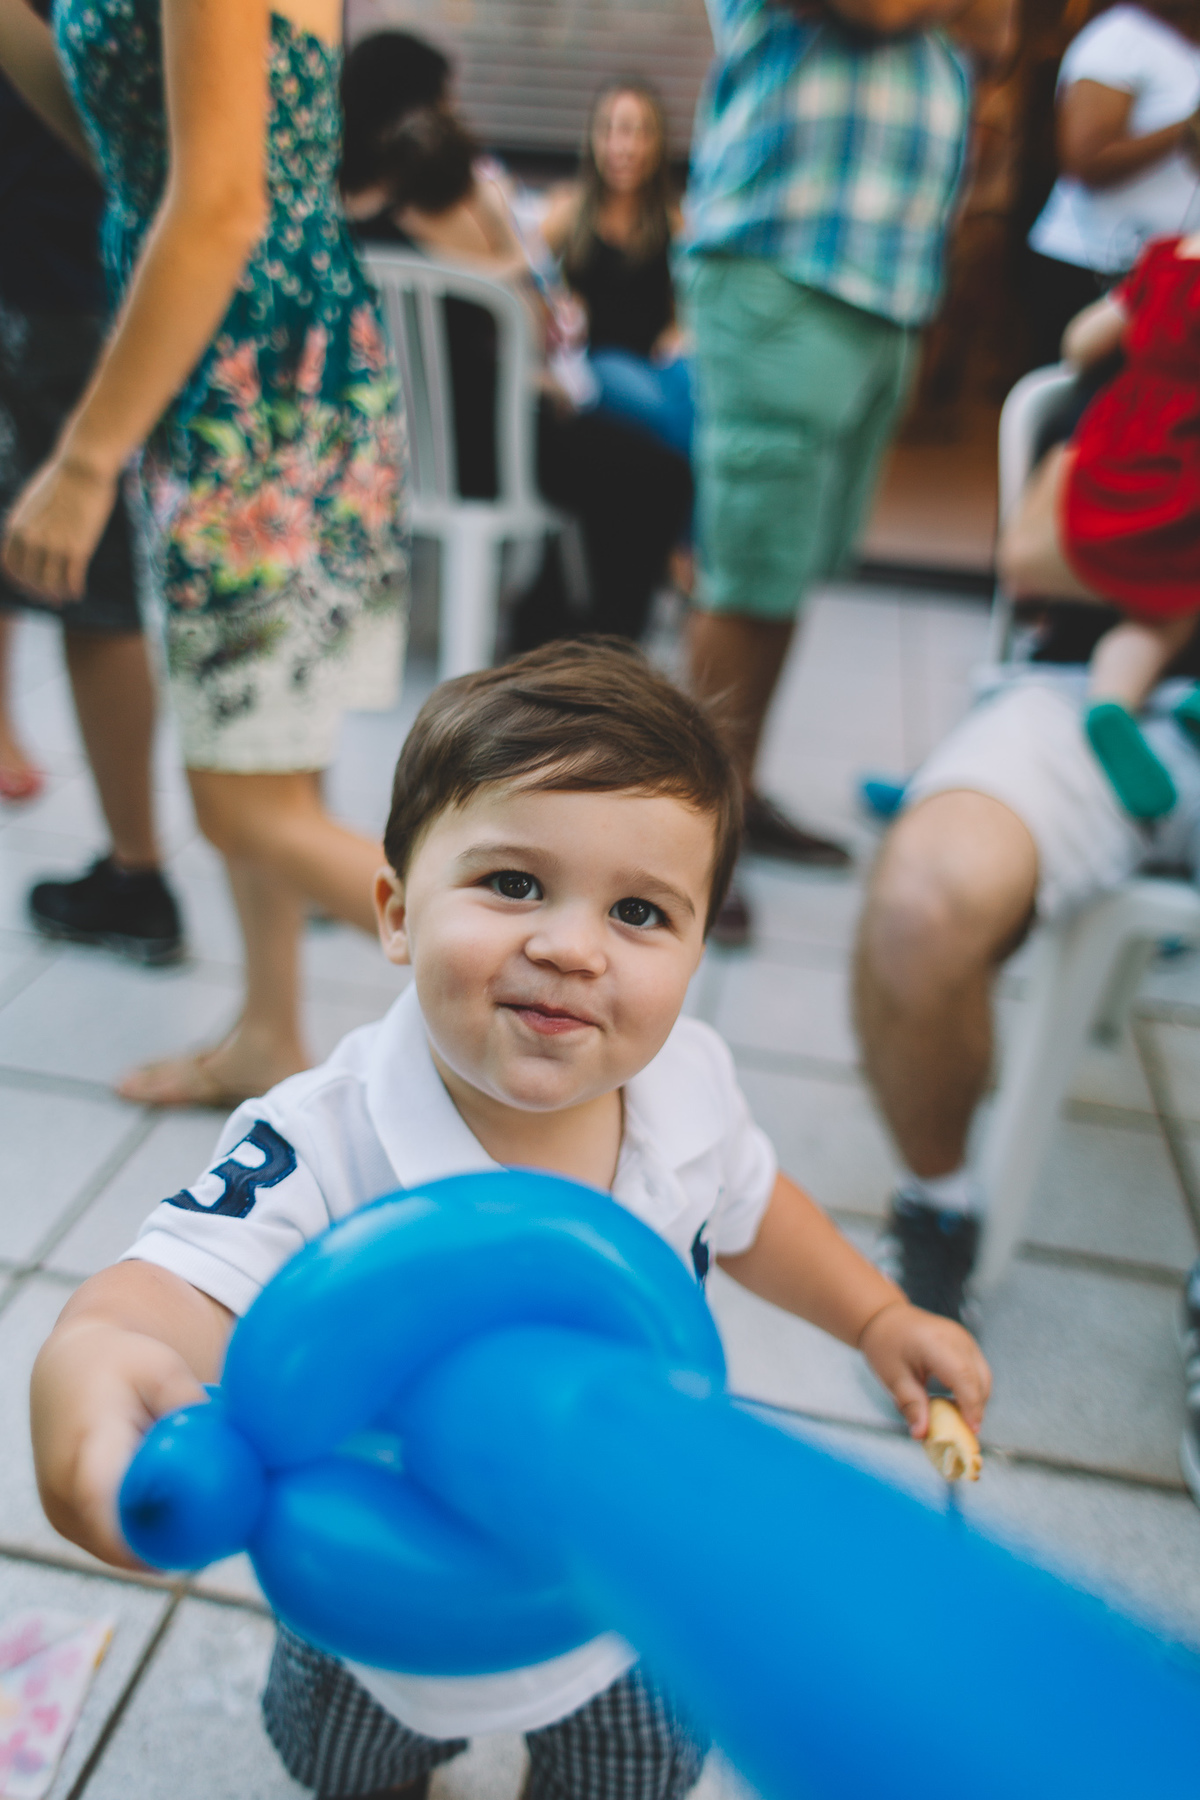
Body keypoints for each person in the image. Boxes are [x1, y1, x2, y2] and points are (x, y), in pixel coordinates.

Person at [30, 638, 989, 1797]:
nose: (570, 947)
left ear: (696, 947)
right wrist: (97, 1360)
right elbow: (165, 1294)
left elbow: (754, 1210)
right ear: (394, 909)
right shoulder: (322, 1137)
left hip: (626, 1601)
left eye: (640, 911)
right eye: (515, 884)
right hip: (375, 1623)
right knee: (349, 1773)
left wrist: (878, 1316)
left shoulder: (689, 1084)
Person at [0, 0, 406, 1106]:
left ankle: (564, 976)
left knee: (244, 805)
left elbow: (222, 205)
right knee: (271, 762)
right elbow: (146, 148)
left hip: (262, 384)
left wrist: (83, 463)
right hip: (245, 373)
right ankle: (272, 1032)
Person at [681, 0, 1016, 946]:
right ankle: (678, 837)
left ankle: (733, 793)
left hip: (886, 286)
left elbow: (996, 32)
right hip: (786, 271)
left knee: (785, 576)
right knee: (745, 582)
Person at [342, 84, 692, 647]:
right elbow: (533, 331)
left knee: (612, 457)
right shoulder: (476, 222)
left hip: (408, 451)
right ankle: (605, 643)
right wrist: (502, 222)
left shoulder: (364, 235)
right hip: (499, 449)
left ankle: (548, 620)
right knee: (656, 474)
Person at [0, 0, 183, 958]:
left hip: (66, 286)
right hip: (58, 279)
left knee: (87, 582)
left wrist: (87, 458)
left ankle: (137, 867)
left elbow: (186, 181)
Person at [998, 231, 1200, 822]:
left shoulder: (1165, 260)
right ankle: (1187, 697)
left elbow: (1082, 342)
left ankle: (1112, 701)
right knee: (1170, 607)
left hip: (1120, 462)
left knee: (1157, 611)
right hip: (1185, 481)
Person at [1025, 1, 1200, 370]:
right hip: (1089, 268)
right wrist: (1186, 129)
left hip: (1169, 282)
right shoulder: (1119, 38)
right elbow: (1085, 160)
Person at [541, 80, 694, 464]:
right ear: (594, 139)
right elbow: (526, 276)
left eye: (640, 133)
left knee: (696, 397)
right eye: (612, 131)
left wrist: (681, 331)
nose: (625, 147)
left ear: (657, 144)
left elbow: (691, 306)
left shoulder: (674, 223)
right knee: (683, 423)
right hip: (599, 363)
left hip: (659, 363)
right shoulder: (569, 213)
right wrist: (558, 303)